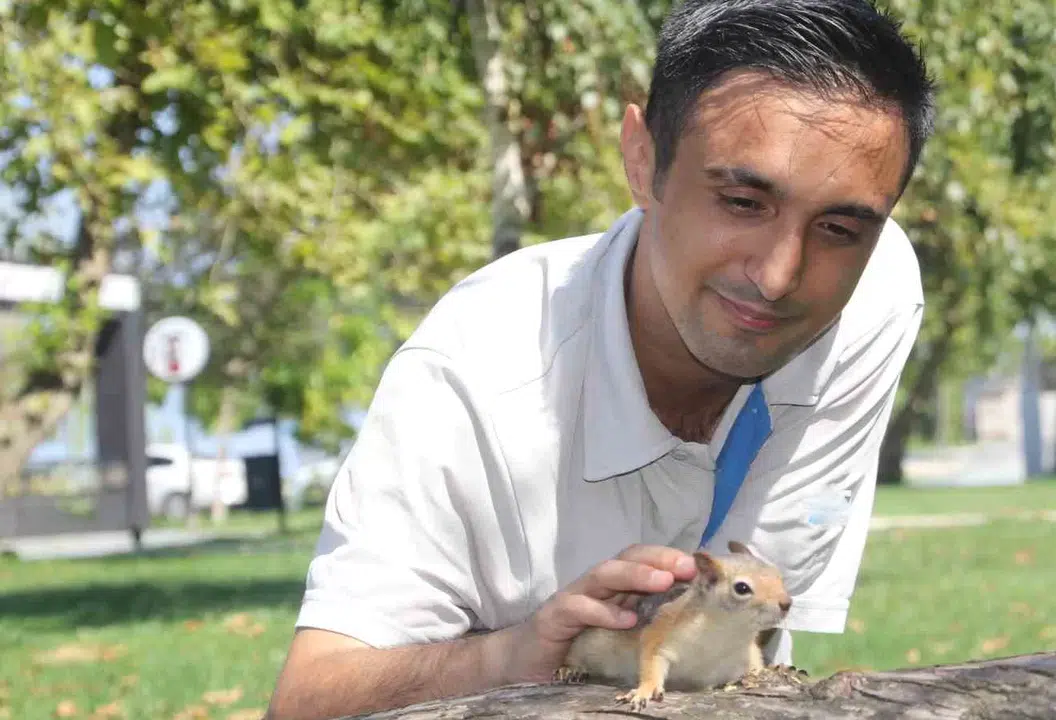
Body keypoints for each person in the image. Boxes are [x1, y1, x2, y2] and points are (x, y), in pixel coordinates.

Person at [266, 1, 934, 718]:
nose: (778, 278)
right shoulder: (473, 372)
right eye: (743, 202)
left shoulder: (873, 298)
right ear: (642, 160)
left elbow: (755, 634)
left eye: (839, 229)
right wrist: (514, 657)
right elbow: (305, 700)